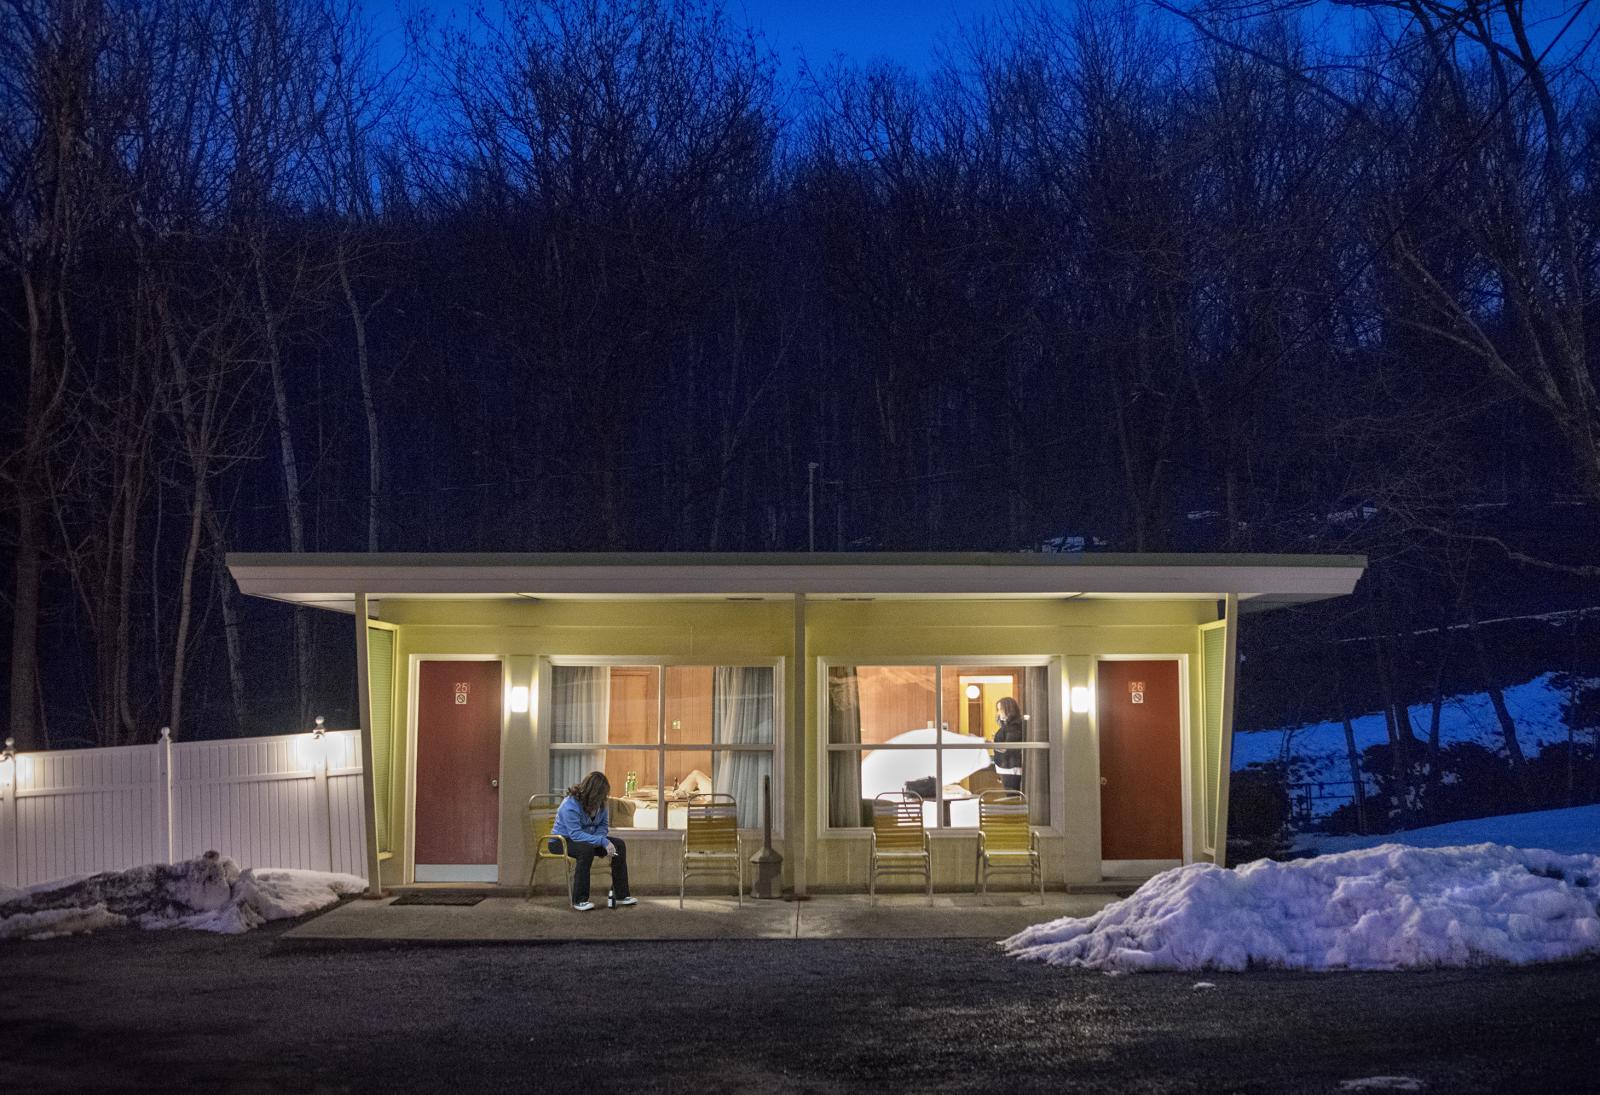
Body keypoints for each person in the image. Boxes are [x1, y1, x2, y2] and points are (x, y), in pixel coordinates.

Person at [552, 771, 635, 911]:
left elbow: (603, 826)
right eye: (601, 795)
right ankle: (579, 900)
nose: (603, 799)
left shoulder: (602, 804)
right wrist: (601, 842)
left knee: (619, 845)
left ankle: (621, 895)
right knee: (586, 850)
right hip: (561, 841)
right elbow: (576, 834)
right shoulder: (570, 805)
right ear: (591, 792)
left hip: (588, 838)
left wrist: (600, 839)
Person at [990, 697, 1026, 792]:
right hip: (1007, 766)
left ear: (1009, 709)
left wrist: (991, 744)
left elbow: (1008, 748)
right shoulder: (1009, 726)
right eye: (998, 710)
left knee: (1012, 796)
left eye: (1000, 709)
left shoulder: (1014, 726)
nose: (999, 713)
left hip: (1010, 767)